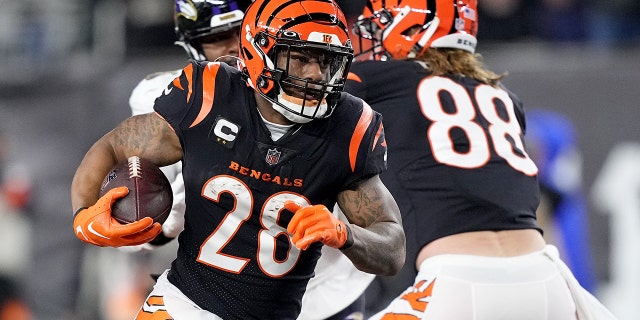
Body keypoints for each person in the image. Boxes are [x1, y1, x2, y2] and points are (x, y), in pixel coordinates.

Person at [70, 0, 406, 319]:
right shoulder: (206, 95)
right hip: (186, 304)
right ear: (260, 52)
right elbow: (114, 147)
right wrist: (84, 213)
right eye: (300, 58)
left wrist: (345, 234)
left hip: (307, 300)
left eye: (327, 61)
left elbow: (391, 246)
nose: (317, 74)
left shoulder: (350, 126)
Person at [346, 0, 617, 319]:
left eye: (379, 25)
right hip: (548, 277)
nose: (370, 35)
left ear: (409, 28)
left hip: (454, 282)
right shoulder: (503, 95)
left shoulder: (373, 80)